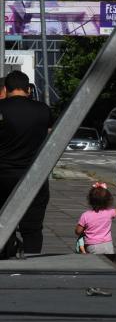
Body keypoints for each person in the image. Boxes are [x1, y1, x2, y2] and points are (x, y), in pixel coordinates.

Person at [0, 70, 53, 257]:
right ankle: (32, 261)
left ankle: (5, 259)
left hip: (3, 175)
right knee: (32, 228)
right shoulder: (43, 110)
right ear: (28, 89)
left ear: (6, 89)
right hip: (34, 177)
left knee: (3, 224)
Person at [75, 182, 116, 262]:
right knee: (110, 264)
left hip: (93, 246)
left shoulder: (85, 215)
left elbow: (78, 231)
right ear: (108, 200)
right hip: (108, 245)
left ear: (90, 200)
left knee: (95, 264)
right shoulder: (110, 212)